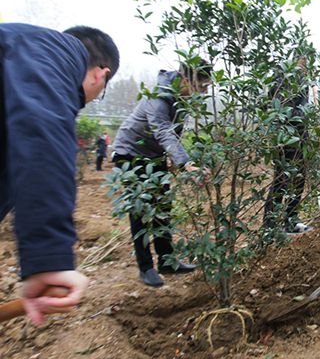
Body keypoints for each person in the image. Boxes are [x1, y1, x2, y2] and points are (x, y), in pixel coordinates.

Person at [1, 23, 119, 325]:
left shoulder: (20, 57)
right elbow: (41, 136)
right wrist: (48, 259)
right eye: (101, 93)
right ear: (100, 74)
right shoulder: (56, 51)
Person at [112, 62, 212, 287]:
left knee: (162, 208)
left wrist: (173, 158)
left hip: (153, 154)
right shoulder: (158, 97)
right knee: (141, 211)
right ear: (186, 80)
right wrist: (187, 163)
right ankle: (146, 267)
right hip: (131, 153)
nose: (204, 92)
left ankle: (168, 261)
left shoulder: (182, 99)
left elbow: (174, 133)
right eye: (202, 86)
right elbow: (164, 132)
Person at [262, 53, 313, 235]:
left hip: (300, 139)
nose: (307, 65)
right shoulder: (285, 78)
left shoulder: (303, 80)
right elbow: (284, 109)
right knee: (282, 181)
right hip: (286, 139)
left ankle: (291, 221)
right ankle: (269, 226)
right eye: (305, 60)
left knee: (298, 181)